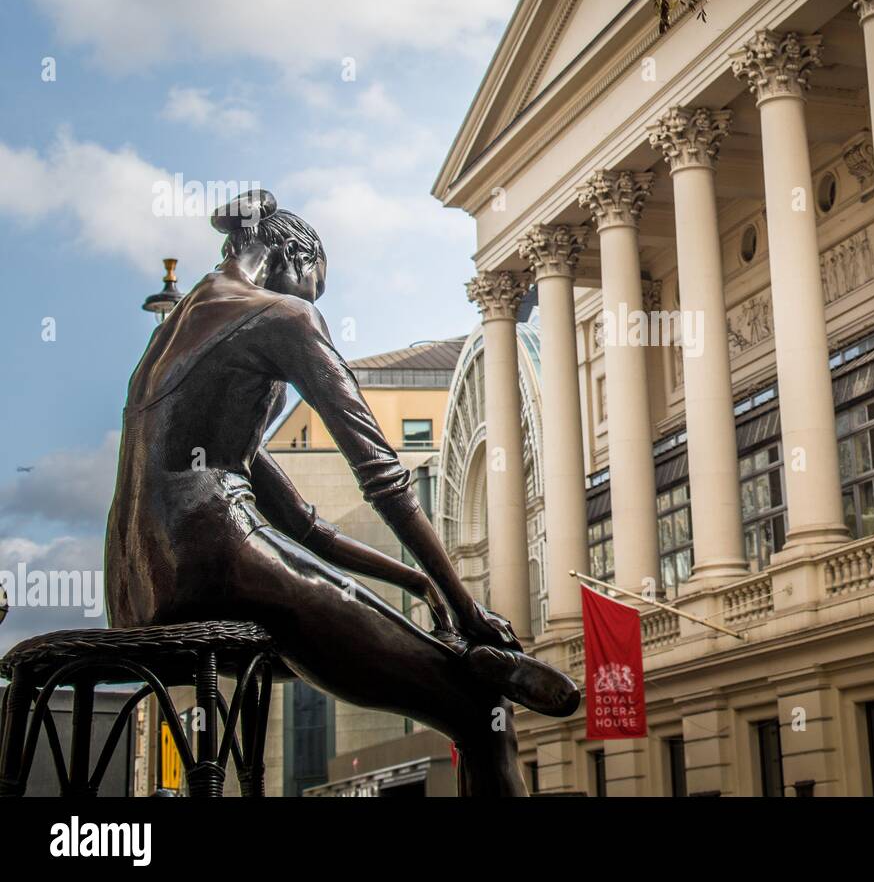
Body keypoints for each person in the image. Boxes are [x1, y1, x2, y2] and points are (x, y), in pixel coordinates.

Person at [105, 189, 578, 796]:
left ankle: (458, 658)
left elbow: (302, 526)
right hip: (218, 565)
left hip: (138, 593)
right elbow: (381, 475)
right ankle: (474, 667)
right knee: (480, 715)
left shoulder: (174, 335)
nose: (311, 302)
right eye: (315, 286)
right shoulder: (281, 316)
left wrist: (418, 582)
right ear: (295, 260)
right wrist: (468, 611)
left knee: (431, 668)